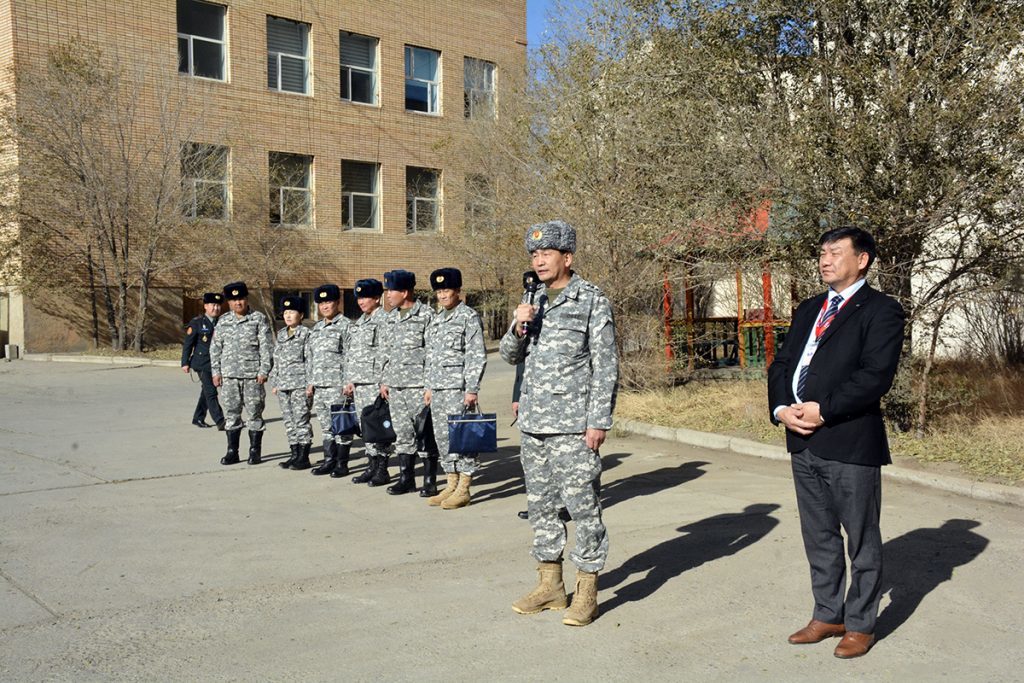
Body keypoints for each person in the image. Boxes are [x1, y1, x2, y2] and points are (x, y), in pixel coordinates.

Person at [767, 226, 905, 659]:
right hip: (801, 440)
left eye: (835, 253)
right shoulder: (810, 308)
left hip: (849, 440)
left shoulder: (881, 310)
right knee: (819, 535)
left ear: (862, 260)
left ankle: (861, 624)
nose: (825, 260)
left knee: (861, 538)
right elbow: (782, 364)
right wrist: (781, 409)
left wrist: (823, 410)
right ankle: (828, 613)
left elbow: (874, 376)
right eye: (822, 253)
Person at [500, 219, 618, 628]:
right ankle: (550, 585)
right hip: (534, 424)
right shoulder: (531, 298)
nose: (539, 261)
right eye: (534, 255)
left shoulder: (590, 300)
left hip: (572, 427)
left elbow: (606, 367)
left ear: (567, 257)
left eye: (546, 254)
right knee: (541, 507)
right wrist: (517, 325)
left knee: (583, 507)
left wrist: (598, 421)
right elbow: (509, 356)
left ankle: (587, 590)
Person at [423, 267, 487, 508]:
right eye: (438, 291)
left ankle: (464, 488)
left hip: (458, 390)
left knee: (463, 438)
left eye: (446, 290)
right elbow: (430, 357)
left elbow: (476, 355)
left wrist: (472, 389)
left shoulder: (468, 317)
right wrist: (428, 386)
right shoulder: (437, 320)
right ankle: (451, 482)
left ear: (458, 290)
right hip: (438, 390)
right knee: (443, 438)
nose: (442, 295)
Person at [377, 269, 433, 495]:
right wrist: (383, 381)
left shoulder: (426, 315)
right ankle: (406, 478)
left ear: (405, 292)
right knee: (402, 433)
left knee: (425, 433)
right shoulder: (390, 318)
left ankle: (429, 480)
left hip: (418, 386)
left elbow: (432, 353)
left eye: (391, 290)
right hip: (395, 387)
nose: (388, 295)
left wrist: (429, 386)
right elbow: (385, 353)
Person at [210, 281, 273, 465]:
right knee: (231, 415)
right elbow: (215, 349)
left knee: (254, 414)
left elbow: (266, 348)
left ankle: (255, 451)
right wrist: (216, 372)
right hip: (229, 376)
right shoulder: (223, 321)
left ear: (246, 299)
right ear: (229, 302)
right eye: (233, 300)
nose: (238, 303)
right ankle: (232, 451)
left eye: (241, 299)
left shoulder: (258, 319)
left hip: (253, 377)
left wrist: (264, 370)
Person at [344, 278, 391, 485]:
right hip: (360, 383)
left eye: (365, 297)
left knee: (378, 425)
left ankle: (382, 469)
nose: (361, 302)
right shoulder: (360, 322)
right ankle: (371, 465)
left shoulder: (385, 320)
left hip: (375, 382)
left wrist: (384, 381)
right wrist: (350, 379)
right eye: (359, 298)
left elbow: (387, 353)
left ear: (377, 298)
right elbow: (352, 354)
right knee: (365, 426)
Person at [306, 284, 354, 478]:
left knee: (341, 426)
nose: (325, 306)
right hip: (320, 385)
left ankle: (342, 463)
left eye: (328, 302)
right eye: (321, 303)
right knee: (326, 426)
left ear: (337, 302)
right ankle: (329, 460)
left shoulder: (346, 326)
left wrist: (348, 382)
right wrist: (310, 381)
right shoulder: (316, 328)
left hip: (337, 385)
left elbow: (350, 356)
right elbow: (311, 357)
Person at [271, 297, 314, 470]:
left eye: (292, 312)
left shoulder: (306, 334)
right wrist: (275, 382)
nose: (288, 316)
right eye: (285, 313)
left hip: (299, 384)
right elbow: (276, 360)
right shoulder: (281, 334)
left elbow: (310, 360)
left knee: (301, 419)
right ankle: (294, 454)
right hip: (283, 385)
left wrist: (310, 384)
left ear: (301, 315)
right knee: (289, 421)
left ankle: (304, 456)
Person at [181, 292, 225, 429]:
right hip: (202, 363)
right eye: (213, 305)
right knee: (211, 391)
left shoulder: (223, 323)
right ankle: (220, 420)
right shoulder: (197, 323)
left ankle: (198, 417)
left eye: (218, 305)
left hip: (217, 363)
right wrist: (185, 362)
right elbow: (188, 343)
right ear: (206, 306)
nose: (216, 308)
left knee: (206, 392)